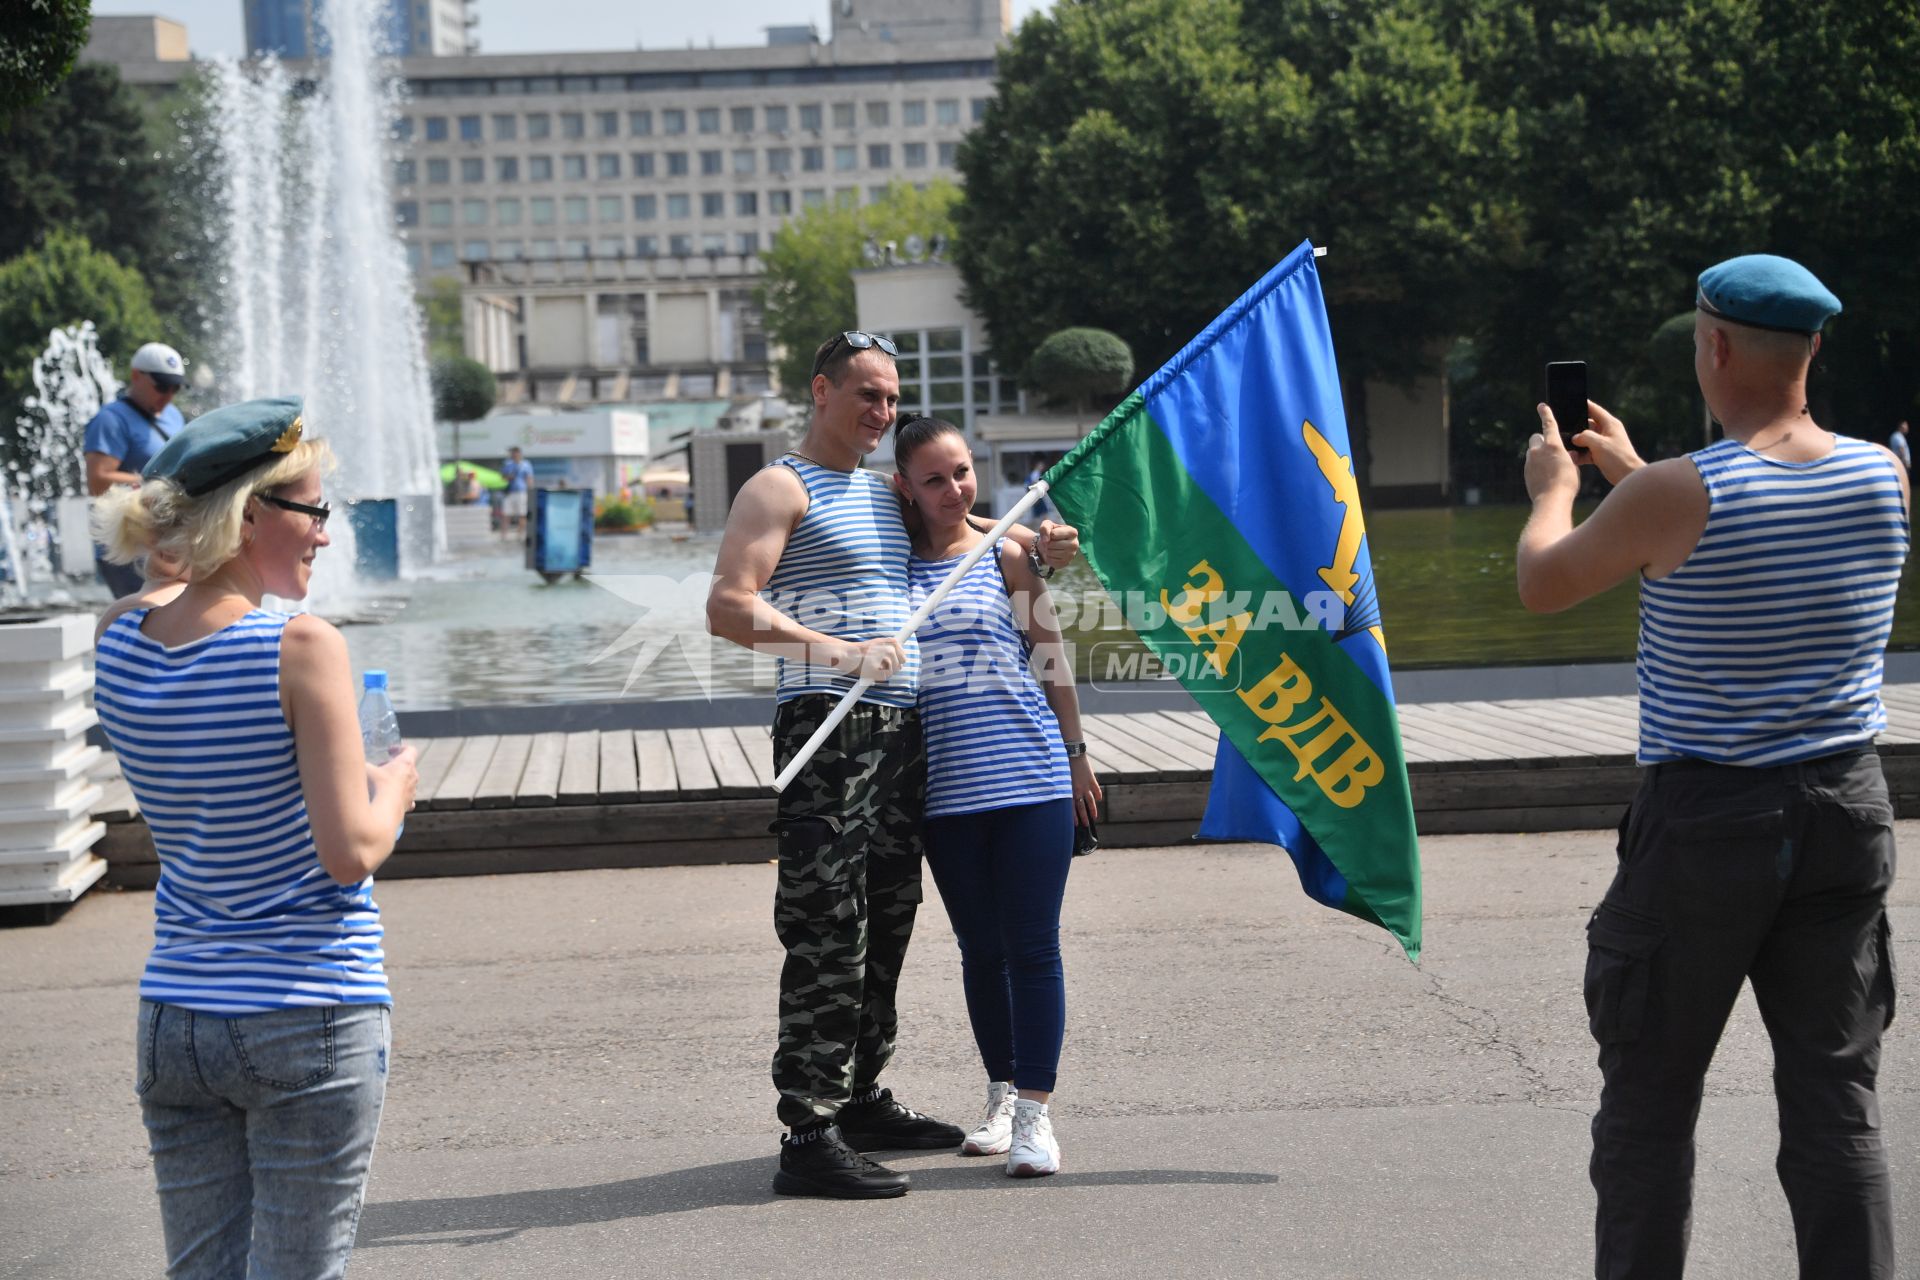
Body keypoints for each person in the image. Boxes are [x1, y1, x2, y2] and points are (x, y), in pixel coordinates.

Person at [1516, 254, 1906, 1279]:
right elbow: (1726, 516)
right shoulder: (1882, 473)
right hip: (1846, 804)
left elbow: (1544, 581)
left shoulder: (1682, 493)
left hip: (1708, 822)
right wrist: (1638, 474)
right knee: (1836, 1105)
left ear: (1715, 346)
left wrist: (1555, 490)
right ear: (1812, 348)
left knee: (1649, 1109)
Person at [706, 330, 1078, 1200]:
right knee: (827, 924)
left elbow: (974, 531)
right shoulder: (778, 486)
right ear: (821, 390)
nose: (883, 412)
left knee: (888, 919)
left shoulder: (884, 493)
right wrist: (839, 653)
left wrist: (1047, 544)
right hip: (827, 725)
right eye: (868, 395)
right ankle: (807, 1128)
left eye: (892, 397)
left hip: (903, 736)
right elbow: (727, 608)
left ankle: (861, 1095)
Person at [90, 396, 420, 1278]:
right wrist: (394, 788)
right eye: (312, 510)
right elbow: (349, 850)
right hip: (306, 1007)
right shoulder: (301, 647)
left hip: (177, 1017)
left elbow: (164, 589)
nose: (324, 532)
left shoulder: (119, 642)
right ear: (249, 515)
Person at [893, 415, 1101, 1178]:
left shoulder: (1009, 554)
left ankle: (1037, 1120)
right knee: (981, 953)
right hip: (945, 797)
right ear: (904, 488)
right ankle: (1003, 1096)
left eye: (963, 472)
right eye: (935, 479)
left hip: (1031, 780)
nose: (954, 489)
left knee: (1033, 948)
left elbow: (1052, 658)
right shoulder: (889, 567)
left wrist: (1077, 753)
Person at [83, 341, 189, 597]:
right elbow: (98, 480)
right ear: (136, 376)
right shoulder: (111, 419)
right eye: (162, 386)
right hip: (131, 545)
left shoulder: (174, 415)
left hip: (168, 539)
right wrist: (158, 484)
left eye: (175, 387)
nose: (168, 395)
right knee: (145, 620)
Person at [499, 445, 535, 535]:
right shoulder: (508, 464)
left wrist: (530, 490)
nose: (513, 455)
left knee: (522, 514)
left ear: (519, 453)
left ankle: (520, 533)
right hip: (510, 492)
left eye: (515, 453)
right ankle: (504, 534)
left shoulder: (526, 464)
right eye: (512, 453)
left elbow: (529, 478)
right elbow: (503, 477)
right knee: (506, 513)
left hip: (522, 492)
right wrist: (509, 477)